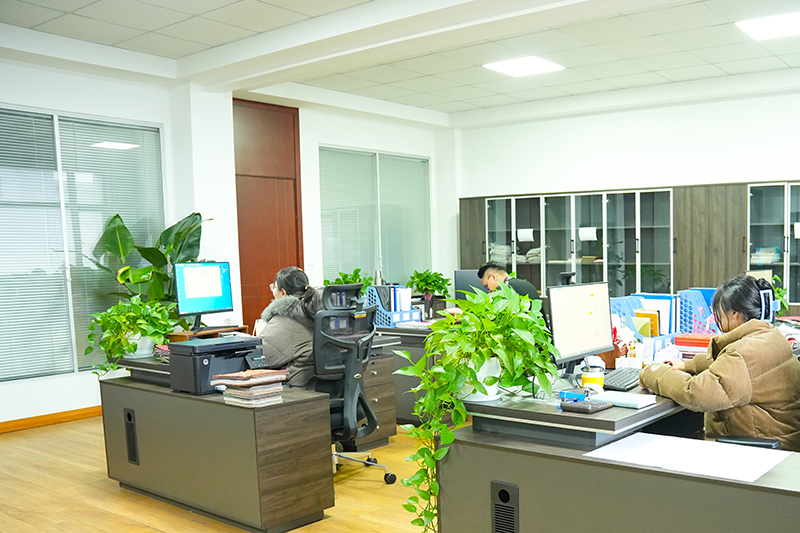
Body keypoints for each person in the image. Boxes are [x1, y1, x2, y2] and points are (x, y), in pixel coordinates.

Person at [639, 274, 800, 450]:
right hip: (781, 442)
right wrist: (687, 365)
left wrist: (652, 372)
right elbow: (738, 371)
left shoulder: (743, 352)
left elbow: (696, 394)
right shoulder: (770, 337)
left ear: (734, 313)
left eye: (718, 310)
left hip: (754, 451)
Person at [256, 266, 321, 388]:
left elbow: (260, 357)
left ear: (283, 292)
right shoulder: (319, 313)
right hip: (324, 387)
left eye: (274, 287)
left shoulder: (285, 319)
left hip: (296, 389)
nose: (273, 290)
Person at [477, 262, 548, 326]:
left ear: (493, 277)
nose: (490, 291)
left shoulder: (504, 289)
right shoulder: (525, 283)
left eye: (486, 286)